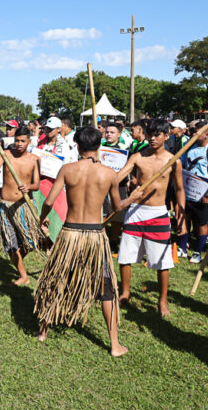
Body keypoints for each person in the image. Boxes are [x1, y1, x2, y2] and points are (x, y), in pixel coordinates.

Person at [35, 126, 140, 353]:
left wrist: (42, 219)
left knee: (56, 279)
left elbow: (49, 201)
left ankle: (43, 331)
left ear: (78, 146)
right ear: (99, 145)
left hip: (70, 233)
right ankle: (114, 345)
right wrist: (132, 197)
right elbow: (116, 207)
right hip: (94, 235)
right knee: (106, 288)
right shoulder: (108, 173)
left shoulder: (68, 169)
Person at [115, 119, 185, 316]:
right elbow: (118, 177)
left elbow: (180, 190)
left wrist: (182, 217)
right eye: (150, 134)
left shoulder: (174, 160)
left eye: (157, 135)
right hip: (135, 211)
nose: (153, 138)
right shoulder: (138, 157)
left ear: (166, 136)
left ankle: (162, 302)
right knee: (125, 255)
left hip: (158, 213)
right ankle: (125, 293)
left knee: (161, 261)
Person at [0, 126, 45, 286]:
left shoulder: (35, 159)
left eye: (22, 141)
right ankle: (23, 275)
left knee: (30, 242)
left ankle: (17, 259)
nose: (19, 144)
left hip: (24, 206)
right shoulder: (6, 155)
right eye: (17, 140)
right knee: (11, 243)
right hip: (5, 206)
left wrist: (29, 187)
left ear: (29, 141)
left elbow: (36, 184)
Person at [180, 121, 208, 263]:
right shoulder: (190, 148)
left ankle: (198, 251)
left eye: (197, 132)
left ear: (206, 134)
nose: (194, 134)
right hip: (188, 191)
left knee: (201, 223)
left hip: (203, 193)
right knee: (185, 218)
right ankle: (182, 247)